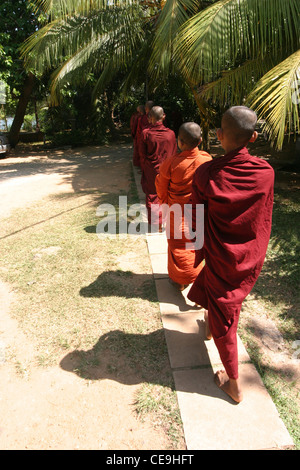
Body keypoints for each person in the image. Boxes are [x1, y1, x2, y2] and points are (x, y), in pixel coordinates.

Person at [188, 106, 274, 403]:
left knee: (227, 315)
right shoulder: (265, 172)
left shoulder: (206, 173)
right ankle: (210, 328)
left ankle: (234, 385)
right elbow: (263, 218)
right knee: (219, 298)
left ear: (219, 135)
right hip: (247, 256)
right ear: (254, 137)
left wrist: (196, 252)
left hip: (219, 253)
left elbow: (195, 218)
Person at [155, 122, 212, 290]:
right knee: (195, 245)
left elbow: (161, 188)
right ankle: (196, 276)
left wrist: (164, 206)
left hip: (176, 212)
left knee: (178, 247)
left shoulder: (171, 163)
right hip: (199, 212)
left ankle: (180, 280)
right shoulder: (206, 160)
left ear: (179, 142)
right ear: (200, 140)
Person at [139, 105, 177, 230]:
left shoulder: (145, 134)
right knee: (166, 194)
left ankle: (157, 224)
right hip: (168, 170)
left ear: (150, 118)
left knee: (152, 195)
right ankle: (166, 221)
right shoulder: (171, 134)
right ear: (163, 116)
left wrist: (147, 167)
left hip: (152, 169)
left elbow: (142, 155)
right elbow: (174, 154)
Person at [134, 101, 154, 168]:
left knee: (144, 155)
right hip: (156, 140)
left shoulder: (141, 118)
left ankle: (143, 168)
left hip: (144, 139)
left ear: (146, 109)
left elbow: (138, 131)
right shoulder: (158, 117)